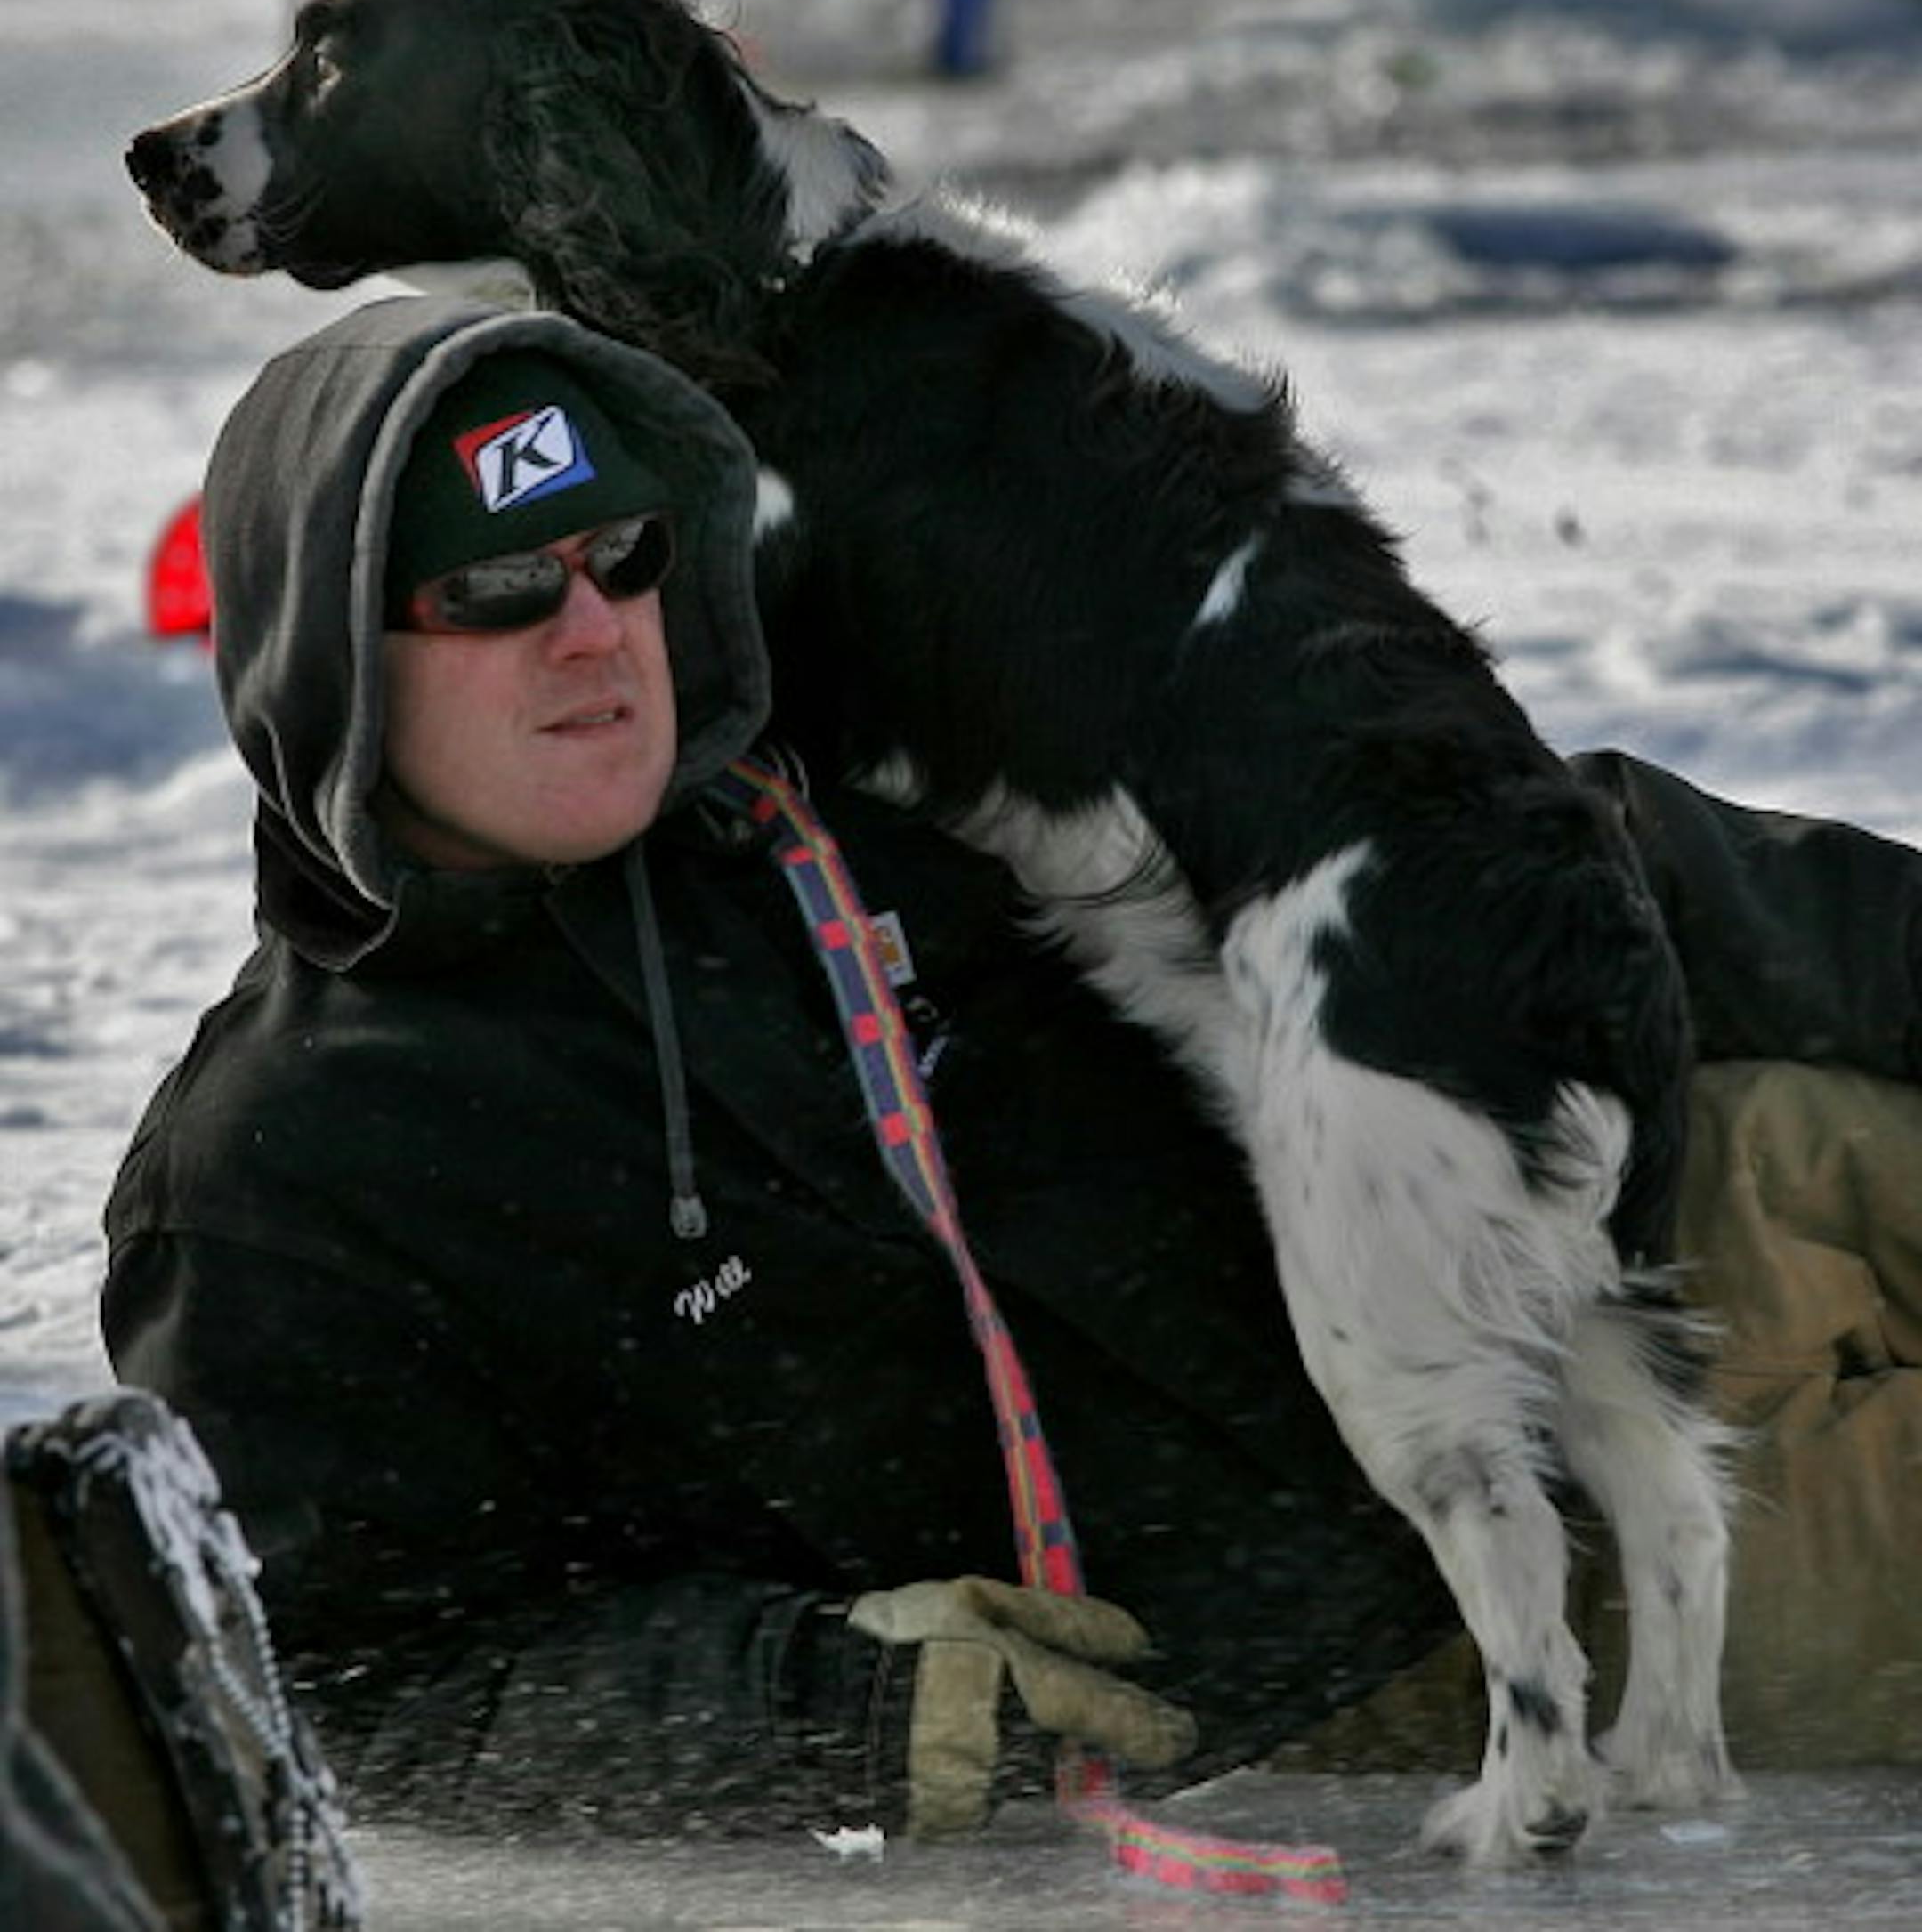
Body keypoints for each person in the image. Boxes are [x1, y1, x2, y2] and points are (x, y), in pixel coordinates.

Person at [24, 294, 1921, 1916]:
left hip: (1643, 1196)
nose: (596, 633)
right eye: (504, 589)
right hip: (1447, 1609)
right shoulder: (292, 1177)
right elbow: (366, 1672)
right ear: (328, 659)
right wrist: (820, 1705)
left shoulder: (895, 759)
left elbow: (1458, 832)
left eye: (629, 560)